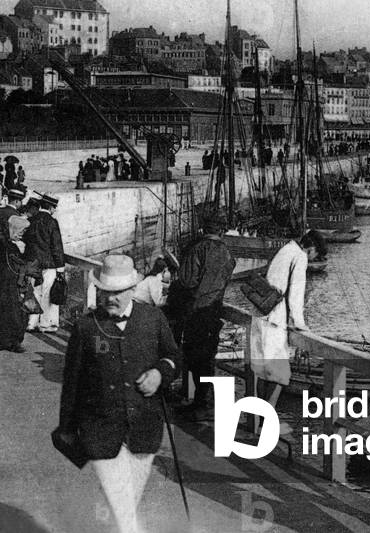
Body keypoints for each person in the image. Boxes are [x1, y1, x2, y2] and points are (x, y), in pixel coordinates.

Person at [56, 254, 181, 533]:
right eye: (105, 292)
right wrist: (66, 427)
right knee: (120, 502)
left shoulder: (153, 318)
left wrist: (161, 372)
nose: (111, 298)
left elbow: (174, 356)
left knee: (128, 501)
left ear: (132, 290)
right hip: (99, 429)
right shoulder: (86, 328)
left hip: (144, 428)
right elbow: (72, 382)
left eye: (117, 293)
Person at [249, 230, 323, 417]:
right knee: (280, 376)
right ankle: (268, 422)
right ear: (311, 248)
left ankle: (257, 422)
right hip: (275, 320)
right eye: (316, 254)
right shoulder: (300, 256)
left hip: (260, 316)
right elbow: (296, 294)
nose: (314, 258)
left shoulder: (285, 249)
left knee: (263, 373)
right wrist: (299, 324)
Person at [169, 211, 235, 420]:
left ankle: (201, 404)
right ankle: (202, 402)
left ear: (204, 229)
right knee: (207, 358)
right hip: (214, 311)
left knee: (194, 357)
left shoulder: (198, 248)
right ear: (221, 231)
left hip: (196, 311)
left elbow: (187, 281)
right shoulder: (226, 253)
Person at [0, 214, 38, 352]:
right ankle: (13, 341)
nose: (22, 234)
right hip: (10, 284)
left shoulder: (4, 244)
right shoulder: (11, 247)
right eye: (20, 231)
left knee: (7, 312)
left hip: (6, 284)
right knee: (15, 312)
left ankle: (5, 340)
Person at [23, 194, 65, 333]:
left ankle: (31, 322)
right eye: (55, 208)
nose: (55, 210)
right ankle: (47, 324)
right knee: (47, 293)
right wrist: (60, 267)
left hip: (33, 263)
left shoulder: (31, 220)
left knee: (34, 292)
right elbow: (56, 246)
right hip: (48, 264)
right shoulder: (52, 222)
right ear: (51, 207)